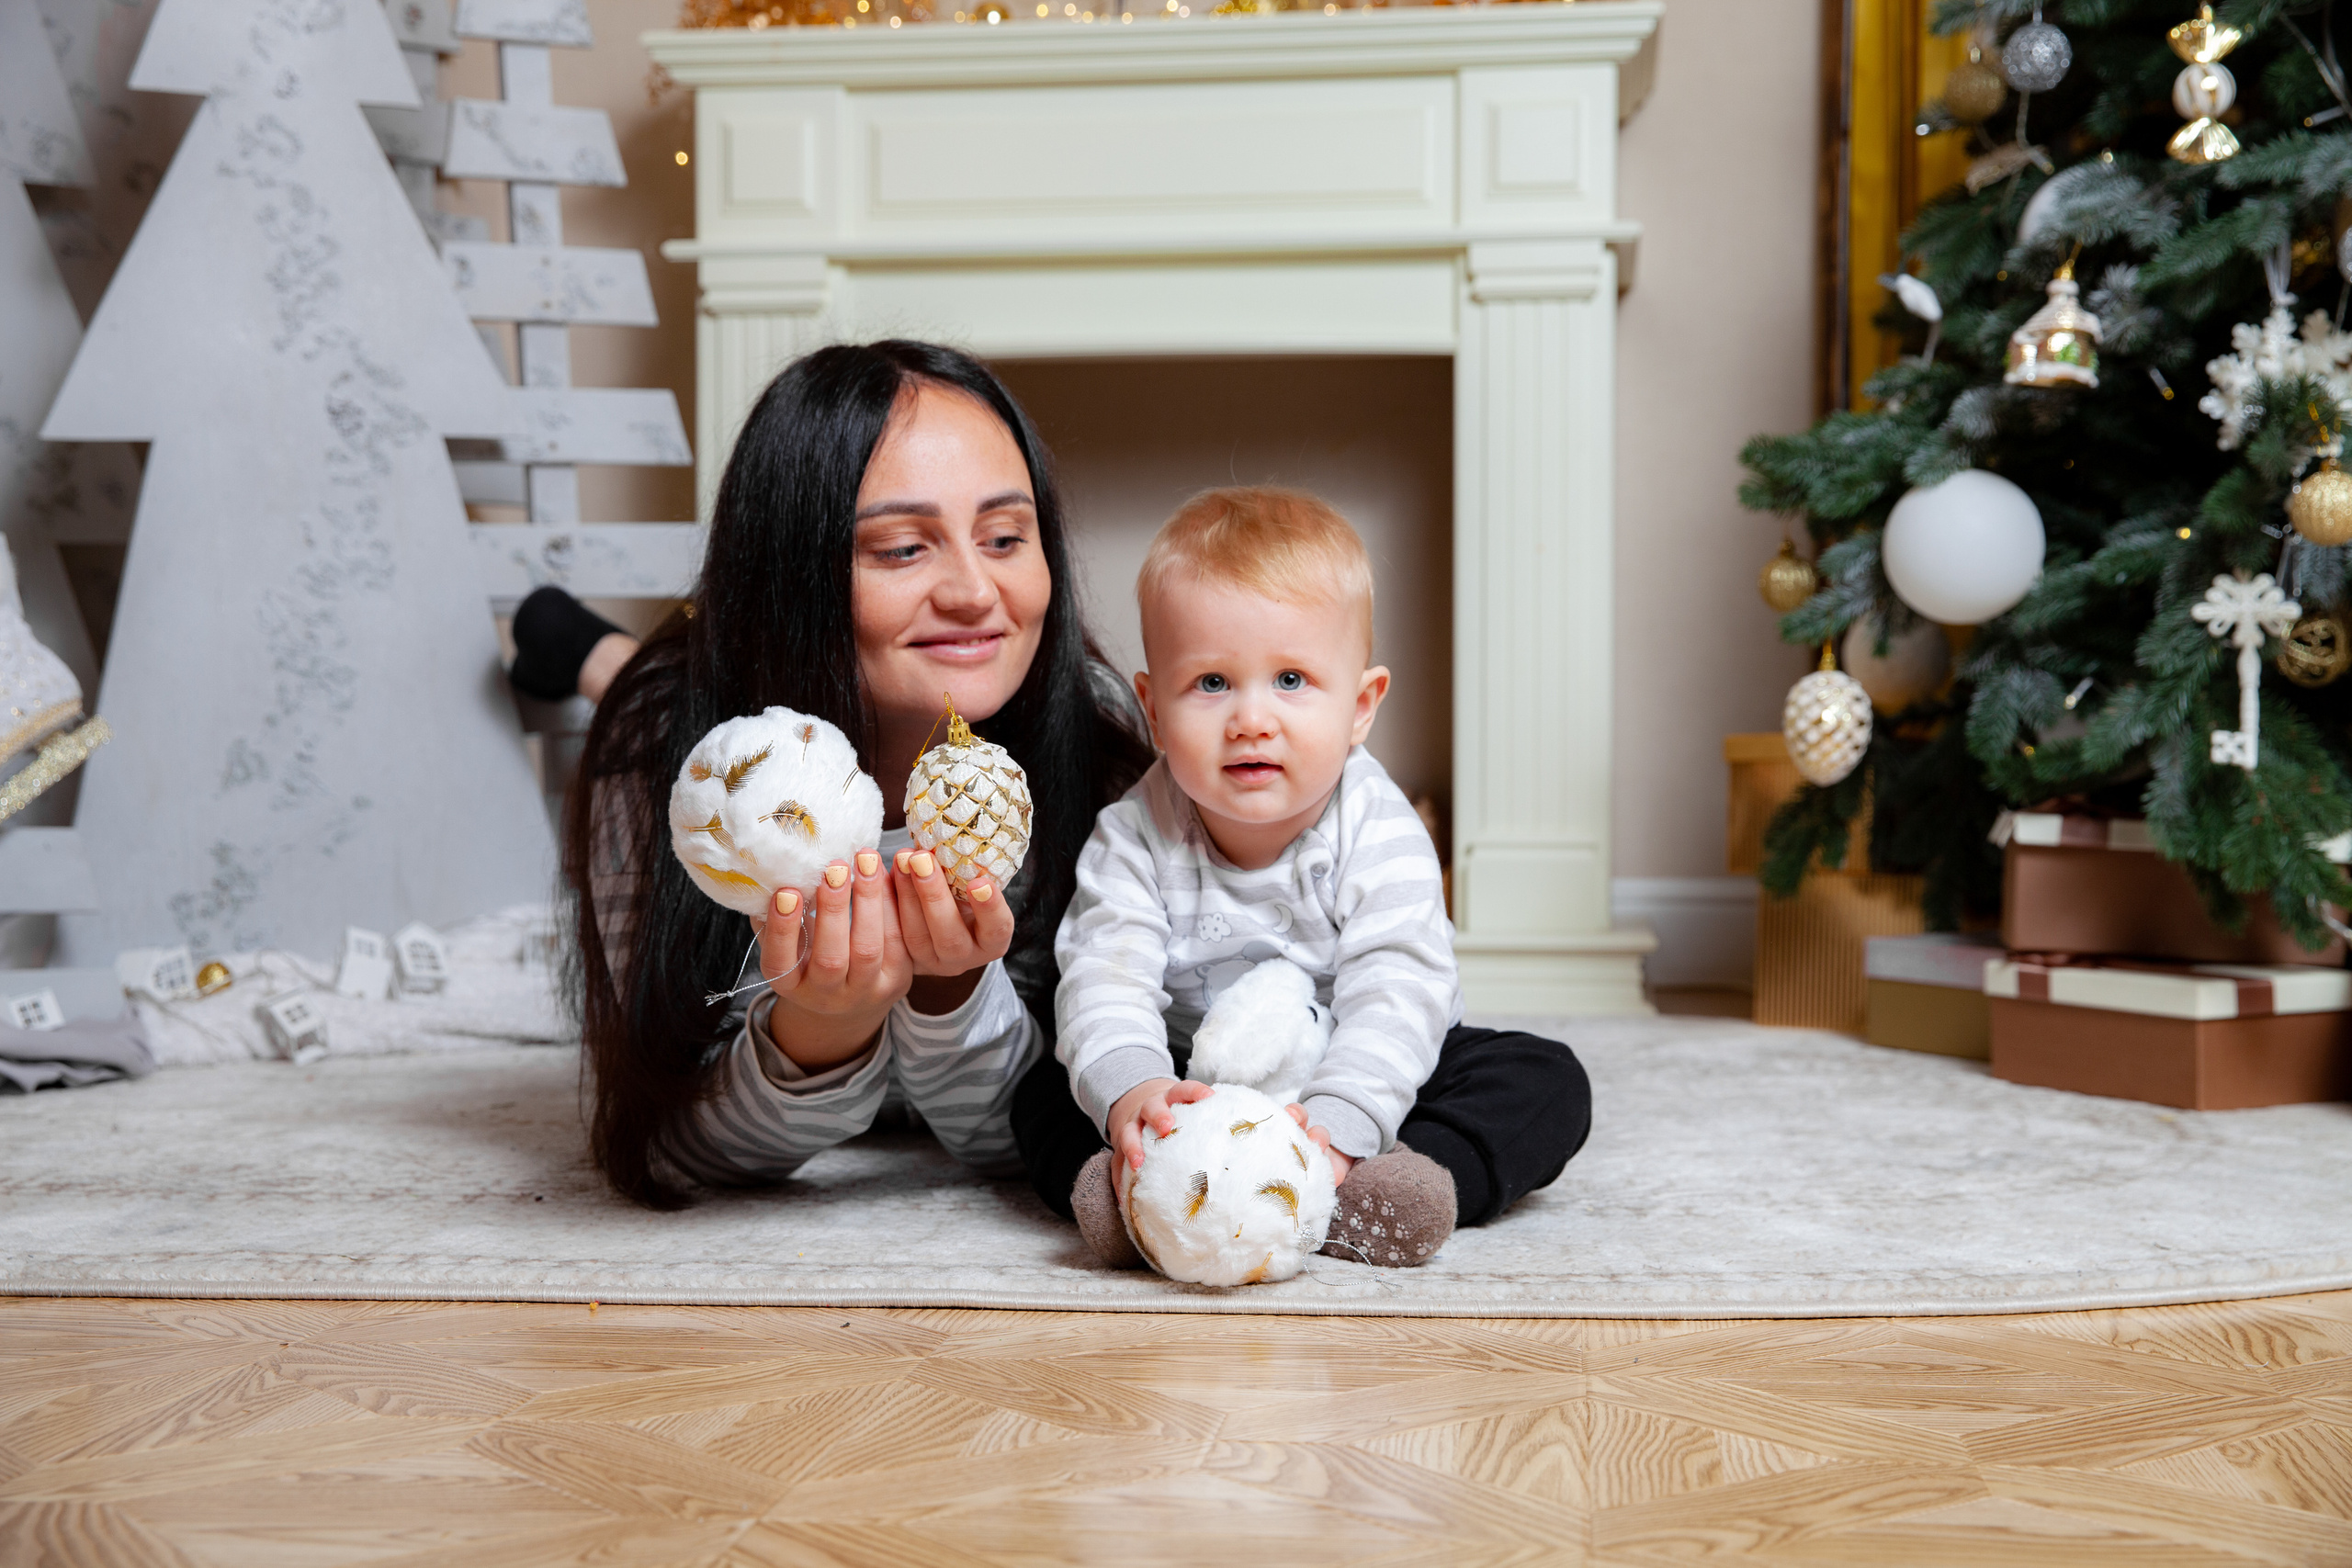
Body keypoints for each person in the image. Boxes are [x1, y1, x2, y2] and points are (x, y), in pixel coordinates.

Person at [552, 341, 1154, 1208]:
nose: (976, 592)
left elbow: (1033, 1140)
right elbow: (671, 1148)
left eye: (1005, 537)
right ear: (790, 576)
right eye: (904, 548)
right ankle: (585, 650)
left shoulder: (1091, 737)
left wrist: (952, 987)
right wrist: (822, 1025)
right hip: (718, 681)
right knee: (645, 676)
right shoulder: (660, 758)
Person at [1029, 488, 1593, 1269]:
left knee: (1544, 1078)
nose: (1252, 718)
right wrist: (1136, 1094)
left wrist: (1341, 1123)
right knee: (1043, 1086)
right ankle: (1134, 1188)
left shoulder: (1378, 827)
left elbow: (1399, 987)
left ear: (1361, 706)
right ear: (1154, 711)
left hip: (1361, 1071)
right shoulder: (1133, 835)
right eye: (1213, 683)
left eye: (1291, 680)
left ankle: (1376, 1189)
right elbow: (1104, 975)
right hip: (1194, 1089)